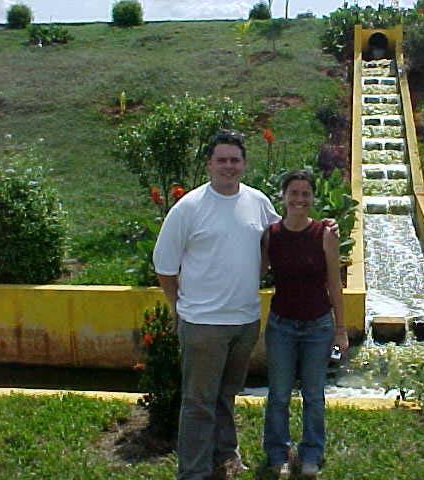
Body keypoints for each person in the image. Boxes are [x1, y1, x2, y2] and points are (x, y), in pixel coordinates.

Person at [153, 130, 282, 480]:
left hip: (244, 321)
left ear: (244, 164)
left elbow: (278, 238)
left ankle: (226, 457)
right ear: (209, 164)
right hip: (203, 325)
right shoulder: (189, 208)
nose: (228, 166)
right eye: (221, 159)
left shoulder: (257, 201)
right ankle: (193, 472)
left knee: (226, 395)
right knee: (198, 403)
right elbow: (165, 265)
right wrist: (177, 306)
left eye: (235, 160)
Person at [262, 170, 349, 479]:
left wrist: (341, 329)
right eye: (294, 193)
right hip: (281, 326)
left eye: (305, 194)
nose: (300, 199)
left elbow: (335, 285)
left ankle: (311, 453)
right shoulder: (271, 235)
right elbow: (255, 271)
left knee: (314, 394)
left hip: (318, 326)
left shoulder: (324, 234)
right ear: (283, 197)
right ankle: (277, 453)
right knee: (279, 394)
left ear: (313, 198)